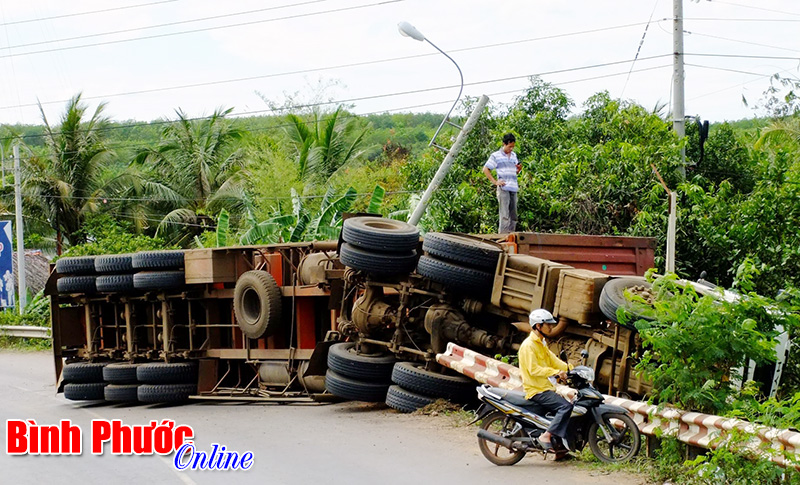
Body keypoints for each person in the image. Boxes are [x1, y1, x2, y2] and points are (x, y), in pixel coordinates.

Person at [517, 308, 573, 451]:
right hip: (537, 390)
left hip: (546, 387)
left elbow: (553, 360)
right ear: (538, 326)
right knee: (565, 407)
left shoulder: (541, 343)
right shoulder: (528, 346)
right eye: (548, 324)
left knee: (564, 410)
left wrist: (570, 369)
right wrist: (556, 373)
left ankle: (559, 449)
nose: (551, 327)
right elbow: (533, 370)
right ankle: (545, 436)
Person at [482, 133, 521, 233]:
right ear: (504, 144)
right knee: (504, 215)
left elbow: (514, 171)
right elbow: (486, 169)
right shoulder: (496, 155)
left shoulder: (514, 155)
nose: (511, 149)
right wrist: (495, 182)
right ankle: (503, 236)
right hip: (503, 187)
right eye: (509, 146)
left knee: (513, 215)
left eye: (513, 147)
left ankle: (511, 234)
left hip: (513, 187)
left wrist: (519, 169)